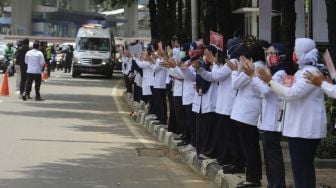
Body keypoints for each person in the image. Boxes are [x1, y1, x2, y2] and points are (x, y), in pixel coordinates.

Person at [258, 38, 327, 188]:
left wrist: (270, 81)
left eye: (296, 50)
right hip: (300, 129)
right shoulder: (304, 71)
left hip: (304, 130)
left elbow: (291, 93)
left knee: (302, 170)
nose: (294, 54)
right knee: (302, 170)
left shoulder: (309, 72)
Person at [227, 40, 270, 187]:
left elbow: (235, 84)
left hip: (246, 113)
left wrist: (234, 70)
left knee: (250, 147)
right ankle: (252, 177)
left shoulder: (255, 66)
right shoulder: (261, 66)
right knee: (250, 147)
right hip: (246, 112)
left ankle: (252, 179)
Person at [245, 43, 287, 187]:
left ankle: (278, 184)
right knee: (268, 156)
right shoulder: (271, 72)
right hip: (266, 120)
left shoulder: (281, 73)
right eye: (268, 53)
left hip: (273, 120)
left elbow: (266, 90)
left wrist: (252, 76)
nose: (269, 57)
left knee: (273, 156)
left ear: (281, 56)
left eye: (272, 54)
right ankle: (272, 183)